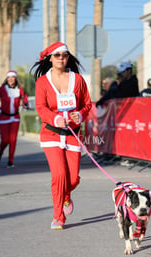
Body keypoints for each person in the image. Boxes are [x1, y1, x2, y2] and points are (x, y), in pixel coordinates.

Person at [31, 42, 92, 230]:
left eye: (65, 55)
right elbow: (41, 107)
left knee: (72, 179)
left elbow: (87, 104)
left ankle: (66, 196)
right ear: (50, 58)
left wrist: (80, 115)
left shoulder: (78, 80)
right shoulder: (42, 82)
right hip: (51, 133)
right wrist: (54, 118)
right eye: (57, 55)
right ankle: (58, 216)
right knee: (59, 175)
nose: (61, 58)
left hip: (73, 134)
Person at [0, 70, 29, 168]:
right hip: (4, 117)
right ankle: (1, 151)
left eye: (13, 77)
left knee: (13, 140)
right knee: (5, 140)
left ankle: (10, 160)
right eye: (9, 77)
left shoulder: (20, 90)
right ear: (7, 79)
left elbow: (25, 100)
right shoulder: (2, 89)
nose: (11, 79)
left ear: (16, 79)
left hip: (15, 117)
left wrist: (26, 105)